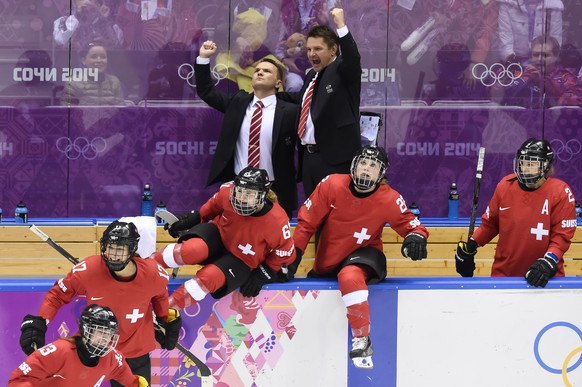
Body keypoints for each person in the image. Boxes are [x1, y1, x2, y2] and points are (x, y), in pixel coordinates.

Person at [291, 146, 429, 369]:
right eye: (363, 163)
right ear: (354, 165)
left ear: (381, 174)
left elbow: (412, 225)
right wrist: (294, 254)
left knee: (349, 275)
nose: (366, 170)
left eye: (373, 166)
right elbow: (307, 223)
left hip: (365, 255)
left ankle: (362, 339)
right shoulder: (332, 184)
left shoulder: (389, 198)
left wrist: (416, 237)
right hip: (329, 261)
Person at [18, 221, 181, 386]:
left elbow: (159, 295)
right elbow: (58, 294)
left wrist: (165, 318)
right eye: (110, 247)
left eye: (119, 249)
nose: (113, 254)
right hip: (93, 348)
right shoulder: (89, 269)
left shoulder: (154, 274)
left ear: (132, 249)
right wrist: (39, 322)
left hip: (135, 351)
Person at [154, 167, 296, 308]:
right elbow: (210, 209)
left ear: (262, 195)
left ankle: (165, 312)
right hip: (219, 237)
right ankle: (145, 268)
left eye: (249, 194)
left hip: (242, 259)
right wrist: (187, 221)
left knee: (207, 279)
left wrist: (264, 273)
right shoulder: (227, 193)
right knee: (190, 250)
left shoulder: (277, 220)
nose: (242, 198)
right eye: (239, 192)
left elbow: (286, 252)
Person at [195, 40, 300, 218]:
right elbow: (206, 91)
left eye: (267, 71)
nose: (260, 72)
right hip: (238, 186)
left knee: (274, 241)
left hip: (275, 188)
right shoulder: (238, 103)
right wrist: (204, 58)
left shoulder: (290, 111)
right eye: (257, 70)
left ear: (278, 82)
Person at [456, 138, 578, 287]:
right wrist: (472, 245)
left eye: (532, 164)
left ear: (545, 166)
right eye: (523, 162)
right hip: (504, 277)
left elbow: (561, 237)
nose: (525, 168)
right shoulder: (505, 186)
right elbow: (491, 223)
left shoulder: (560, 192)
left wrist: (548, 261)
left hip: (544, 279)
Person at [277, 8, 362, 198]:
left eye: (317, 49)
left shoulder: (342, 70)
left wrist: (341, 25)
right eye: (309, 49)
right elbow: (302, 101)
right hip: (309, 158)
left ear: (333, 49)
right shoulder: (311, 77)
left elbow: (352, 59)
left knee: (336, 215)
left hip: (336, 159)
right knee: (313, 215)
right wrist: (270, 95)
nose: (311, 54)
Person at [10, 304, 149, 386]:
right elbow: (18, 380)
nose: (105, 337)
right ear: (85, 330)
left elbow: (132, 382)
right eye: (99, 331)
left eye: (109, 332)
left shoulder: (114, 359)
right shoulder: (59, 351)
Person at [501, 36, 580, 108]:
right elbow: (498, 96)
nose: (539, 59)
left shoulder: (566, 76)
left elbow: (575, 101)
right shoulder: (519, 73)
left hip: (551, 122)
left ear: (556, 57)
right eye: (536, 55)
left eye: (545, 55)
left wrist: (544, 83)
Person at [60, 40, 125, 106]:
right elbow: (67, 113)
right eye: (94, 57)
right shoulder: (73, 83)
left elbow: (120, 111)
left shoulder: (114, 82)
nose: (99, 60)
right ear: (83, 61)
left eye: (103, 57)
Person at [497, 0, 563, 64]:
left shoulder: (554, 5)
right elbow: (505, 38)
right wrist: (513, 63)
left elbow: (555, 41)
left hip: (543, 62)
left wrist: (542, 64)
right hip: (515, 61)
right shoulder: (507, 3)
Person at [53, 0, 124, 53]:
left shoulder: (111, 25)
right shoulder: (63, 22)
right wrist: (78, 15)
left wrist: (104, 21)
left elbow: (118, 50)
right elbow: (61, 43)